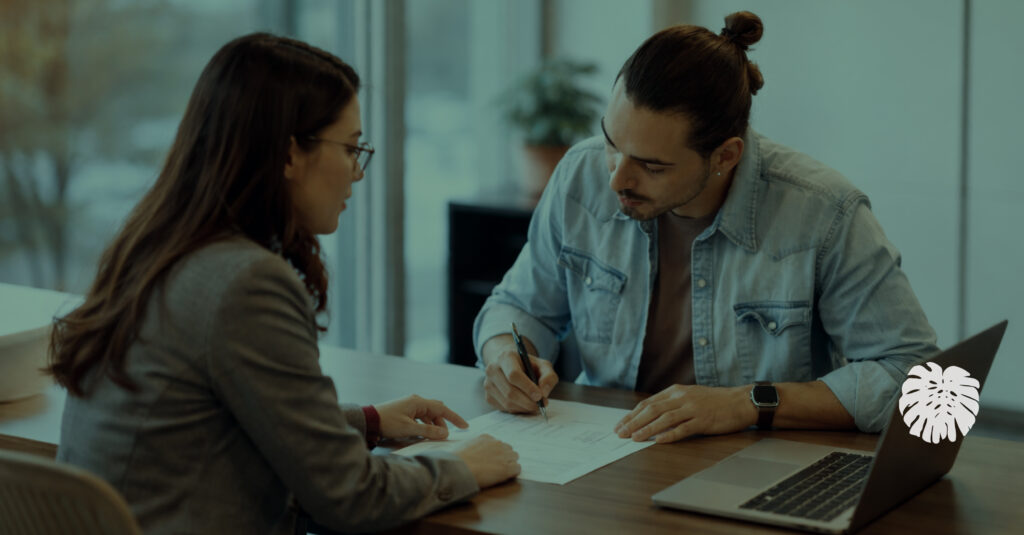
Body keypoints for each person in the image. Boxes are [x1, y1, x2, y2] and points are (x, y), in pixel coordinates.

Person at [48, 33, 519, 534]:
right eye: (351, 147)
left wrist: (368, 423)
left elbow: (217, 422)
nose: (357, 174)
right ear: (290, 154)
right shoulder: (246, 282)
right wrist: (463, 467)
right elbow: (352, 497)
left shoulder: (150, 249)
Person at [474, 12, 939, 444]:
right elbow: (519, 305)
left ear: (725, 156)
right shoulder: (580, 175)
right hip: (605, 454)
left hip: (757, 466)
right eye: (613, 143)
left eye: (652, 166)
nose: (617, 178)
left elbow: (924, 386)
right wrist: (504, 356)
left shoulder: (825, 213)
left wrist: (747, 403)